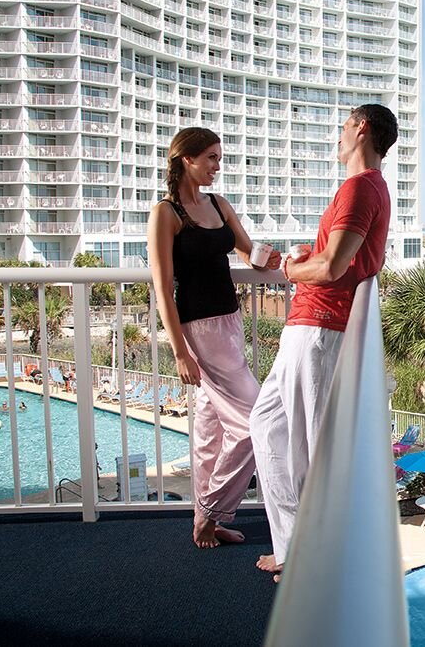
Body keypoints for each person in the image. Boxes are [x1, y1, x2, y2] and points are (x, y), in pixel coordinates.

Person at [248, 104, 396, 579]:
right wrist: (307, 255)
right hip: (311, 326)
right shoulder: (366, 188)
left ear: (361, 128)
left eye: (342, 128)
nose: (337, 137)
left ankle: (318, 564)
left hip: (320, 328)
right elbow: (340, 258)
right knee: (267, 424)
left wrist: (287, 269)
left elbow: (333, 268)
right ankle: (295, 547)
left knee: (314, 448)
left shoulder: (360, 186)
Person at [149, 127, 281, 549]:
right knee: (256, 421)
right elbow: (162, 288)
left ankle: (204, 520)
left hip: (229, 323)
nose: (217, 166)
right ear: (185, 159)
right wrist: (180, 351)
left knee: (209, 428)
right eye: (210, 157)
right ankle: (210, 509)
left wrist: (277, 260)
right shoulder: (166, 214)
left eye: (219, 158)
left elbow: (247, 253)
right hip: (199, 332)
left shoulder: (219, 205)